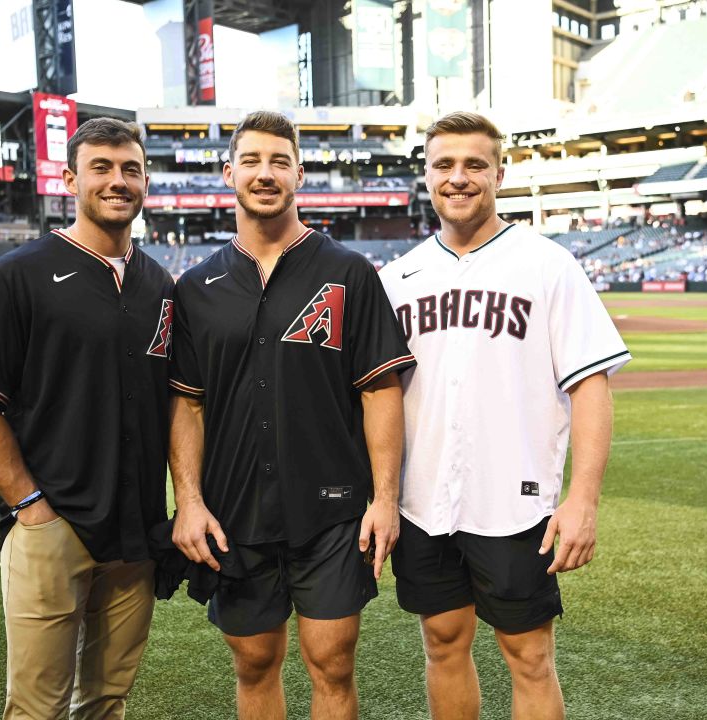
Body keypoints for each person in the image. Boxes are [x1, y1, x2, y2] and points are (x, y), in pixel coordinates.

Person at [378, 111, 630, 719]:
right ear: (428, 175)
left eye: (473, 165)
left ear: (499, 172)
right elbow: (377, 398)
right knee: (442, 645)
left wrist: (583, 499)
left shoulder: (548, 265)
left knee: (529, 655)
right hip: (423, 500)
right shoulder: (396, 278)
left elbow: (591, 387)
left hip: (516, 502)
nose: (458, 178)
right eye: (444, 165)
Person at [167, 110, 414, 720]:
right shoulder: (195, 288)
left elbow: (380, 391)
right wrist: (190, 500)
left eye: (279, 160)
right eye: (251, 160)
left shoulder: (349, 272)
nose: (265, 172)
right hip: (233, 510)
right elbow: (187, 403)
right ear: (228, 174)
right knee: (253, 663)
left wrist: (384, 499)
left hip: (331, 508)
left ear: (300, 173)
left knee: (332, 662)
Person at [0, 118, 174, 719]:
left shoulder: (160, 284)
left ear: (145, 182)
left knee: (107, 700)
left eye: (131, 170)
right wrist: (28, 506)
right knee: (36, 707)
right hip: (52, 523)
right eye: (102, 168)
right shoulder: (20, 274)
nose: (118, 181)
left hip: (135, 531)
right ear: (70, 179)